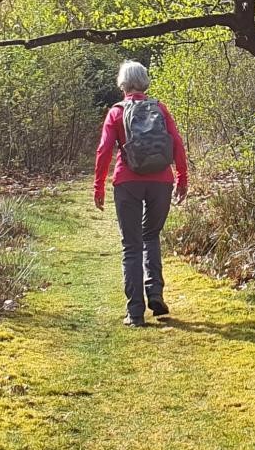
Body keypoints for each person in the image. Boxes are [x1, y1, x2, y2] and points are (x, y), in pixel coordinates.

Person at [93, 60, 189, 326]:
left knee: (132, 245)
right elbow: (177, 143)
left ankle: (135, 313)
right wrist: (182, 178)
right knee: (152, 236)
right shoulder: (159, 108)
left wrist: (98, 185)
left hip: (127, 182)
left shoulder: (116, 112)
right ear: (145, 82)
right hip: (161, 181)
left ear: (122, 84)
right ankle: (155, 293)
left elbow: (104, 151)